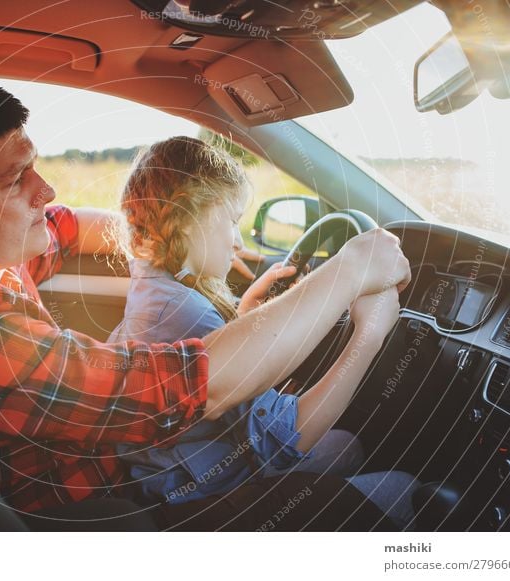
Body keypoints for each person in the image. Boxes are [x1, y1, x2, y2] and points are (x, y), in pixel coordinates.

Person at [0, 78, 413, 530]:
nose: (45, 189)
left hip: (120, 468)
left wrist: (182, 252)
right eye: (14, 181)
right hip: (98, 515)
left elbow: (71, 226)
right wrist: (352, 273)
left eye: (35, 166)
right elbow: (195, 386)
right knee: (397, 495)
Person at [108, 136, 420, 528]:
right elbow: (291, 439)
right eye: (232, 221)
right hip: (199, 499)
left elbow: (211, 363)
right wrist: (368, 335)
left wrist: (244, 318)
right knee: (405, 489)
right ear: (188, 219)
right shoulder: (183, 309)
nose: (238, 241)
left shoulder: (156, 288)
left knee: (347, 446)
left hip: (167, 477)